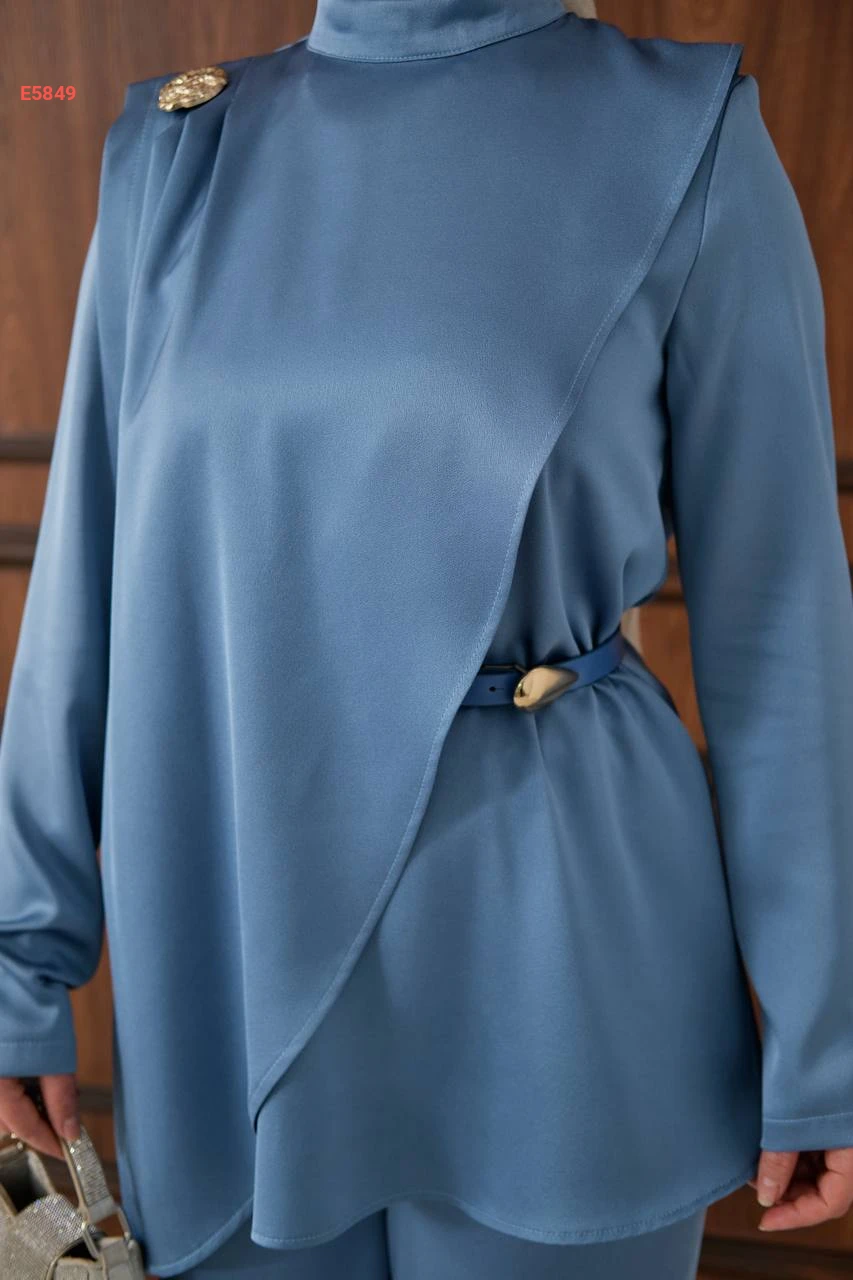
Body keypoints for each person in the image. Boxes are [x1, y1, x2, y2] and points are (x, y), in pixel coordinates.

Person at [1, 0, 853, 1276]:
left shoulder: (687, 134)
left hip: (558, 953)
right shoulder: (177, 150)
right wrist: (20, 958)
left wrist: (826, 1034)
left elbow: (778, 617)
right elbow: (85, 586)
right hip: (232, 926)